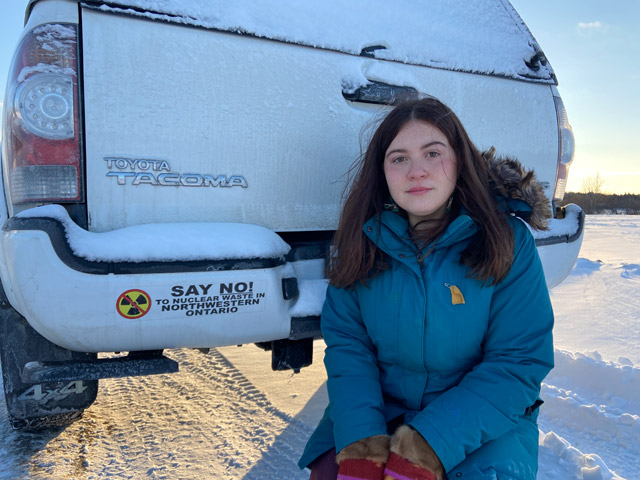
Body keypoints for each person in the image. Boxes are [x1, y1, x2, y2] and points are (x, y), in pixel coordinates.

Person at [298, 97, 554, 480]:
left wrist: (427, 446)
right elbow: (350, 350)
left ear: (460, 160)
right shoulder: (361, 240)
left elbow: (518, 364)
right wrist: (362, 444)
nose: (416, 171)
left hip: (480, 421)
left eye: (432, 153)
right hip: (377, 412)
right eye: (399, 158)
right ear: (382, 171)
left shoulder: (508, 241)